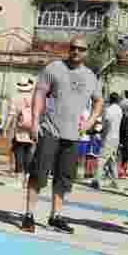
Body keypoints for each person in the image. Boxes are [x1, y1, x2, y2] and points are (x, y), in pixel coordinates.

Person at [21, 37, 103, 234]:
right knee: (38, 174)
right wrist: (34, 122)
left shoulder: (91, 76)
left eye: (81, 49)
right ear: (69, 49)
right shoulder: (53, 68)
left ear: (86, 52)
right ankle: (29, 215)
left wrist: (90, 121)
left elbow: (99, 101)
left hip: (73, 136)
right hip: (50, 131)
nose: (76, 51)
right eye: (73, 48)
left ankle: (55, 216)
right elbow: (39, 94)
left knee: (64, 179)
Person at [5, 79, 36, 188]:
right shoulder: (34, 97)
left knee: (18, 154)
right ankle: (27, 180)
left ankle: (18, 181)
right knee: (29, 154)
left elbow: (11, 114)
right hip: (32, 130)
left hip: (18, 130)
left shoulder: (15, 97)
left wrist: (6, 127)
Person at [95, 93, 123, 190]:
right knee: (112, 160)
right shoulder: (119, 110)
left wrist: (97, 130)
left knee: (102, 159)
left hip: (108, 137)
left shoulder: (108, 110)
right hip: (116, 137)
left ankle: (97, 181)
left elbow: (104, 124)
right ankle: (115, 181)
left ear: (110, 99)